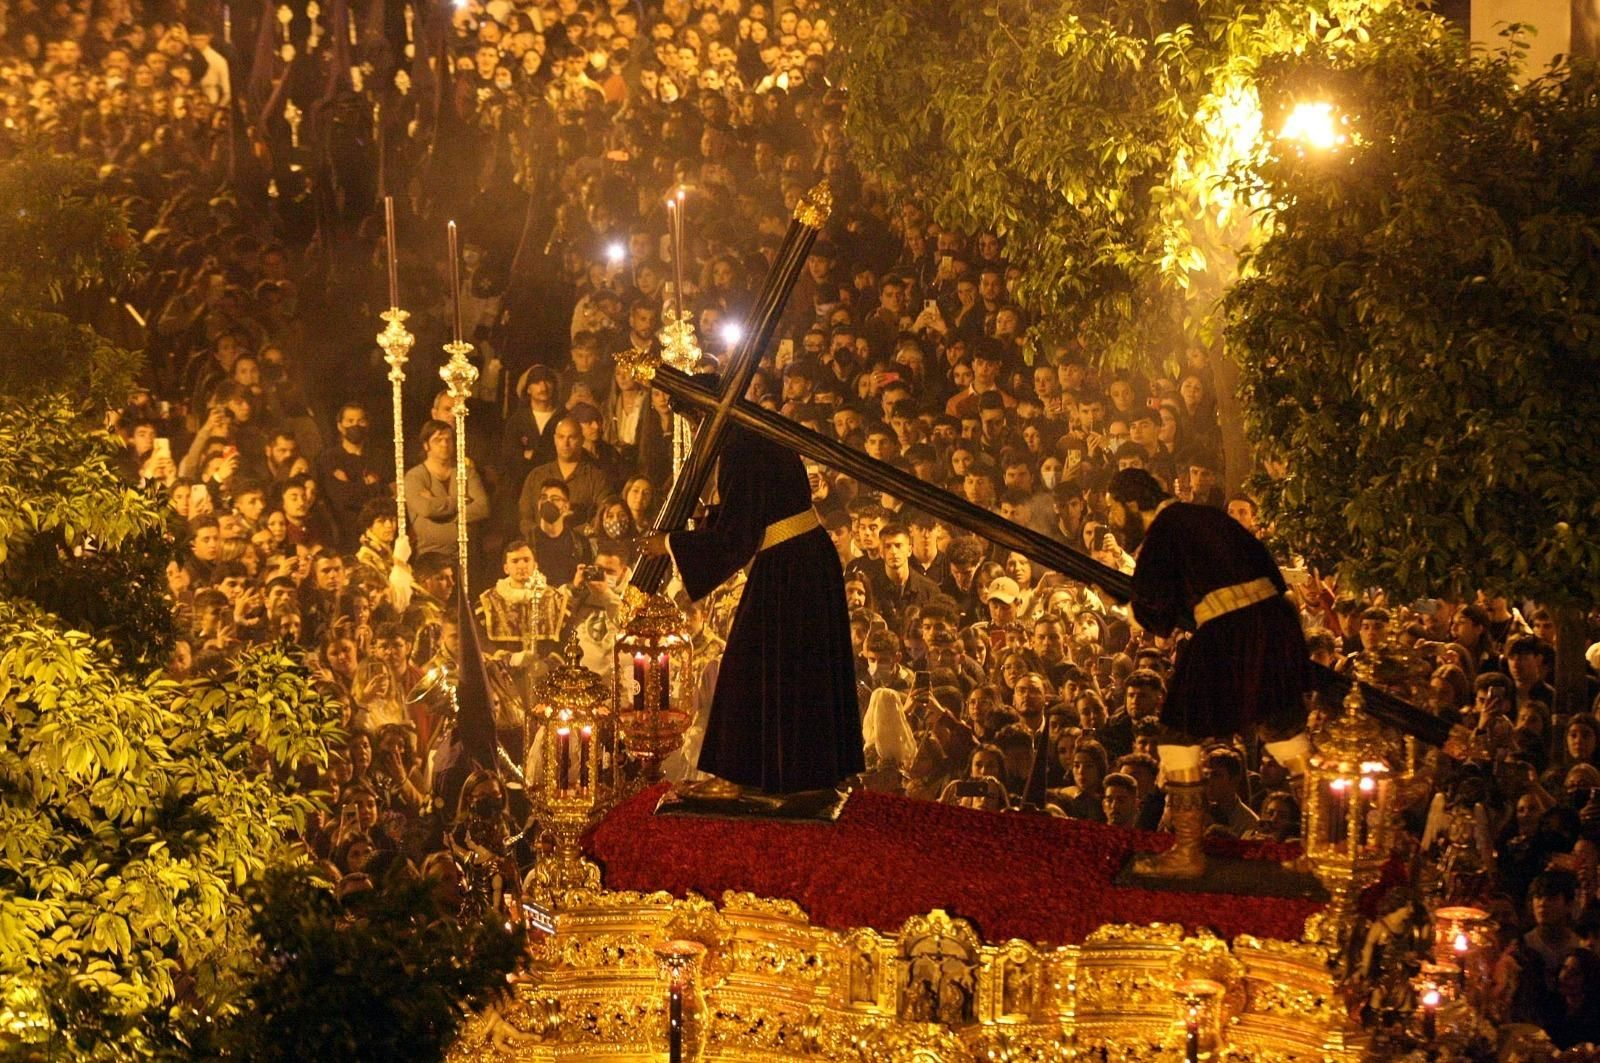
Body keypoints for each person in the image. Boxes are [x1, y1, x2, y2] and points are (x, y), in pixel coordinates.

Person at [1106, 467, 1309, 878]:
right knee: (1286, 734)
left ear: (1131, 504)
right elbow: (1267, 570)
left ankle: (1186, 853)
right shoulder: (1208, 516)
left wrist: (1123, 596)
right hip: (1273, 624)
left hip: (1228, 629)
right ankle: (1325, 846)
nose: (1112, 521)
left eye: (1113, 510)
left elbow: (1155, 614)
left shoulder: (1163, 528)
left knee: (1177, 735)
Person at [642, 421, 863, 795]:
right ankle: (814, 772)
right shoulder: (754, 433)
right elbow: (756, 507)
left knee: (745, 663)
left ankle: (737, 774)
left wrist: (669, 543)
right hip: (802, 557)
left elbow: (737, 537)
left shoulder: (739, 447)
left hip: (788, 564)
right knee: (799, 666)